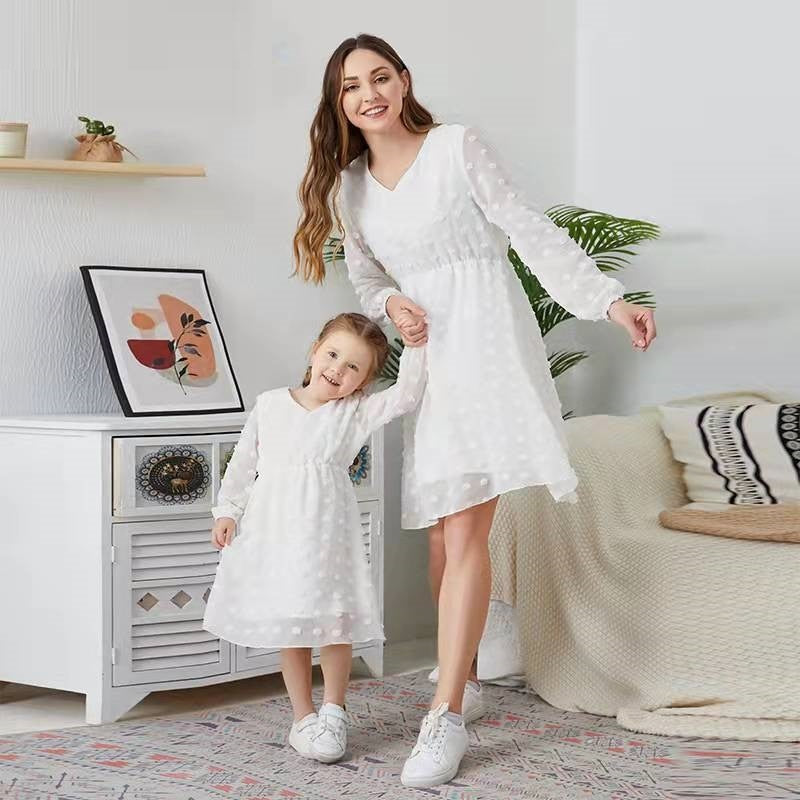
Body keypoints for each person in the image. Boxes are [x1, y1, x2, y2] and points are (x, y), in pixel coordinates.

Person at [293, 34, 656, 789]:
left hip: (488, 338)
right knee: (442, 537)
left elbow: (524, 226)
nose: (369, 94)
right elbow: (365, 280)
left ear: (404, 80)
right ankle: (472, 672)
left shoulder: (456, 146)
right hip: (432, 355)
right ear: (339, 104)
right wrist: (392, 303)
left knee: (464, 527)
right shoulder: (349, 188)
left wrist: (606, 300)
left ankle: (445, 714)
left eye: (380, 77)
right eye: (352, 86)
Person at [203, 312, 426, 764]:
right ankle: (303, 718)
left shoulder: (354, 413)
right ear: (315, 349)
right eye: (333, 355)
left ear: (363, 382)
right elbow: (243, 464)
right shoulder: (269, 405)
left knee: (334, 622)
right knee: (294, 623)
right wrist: (228, 511)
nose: (337, 370)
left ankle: (334, 710)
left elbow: (407, 394)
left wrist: (416, 344)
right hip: (277, 530)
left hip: (329, 534)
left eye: (353, 368)